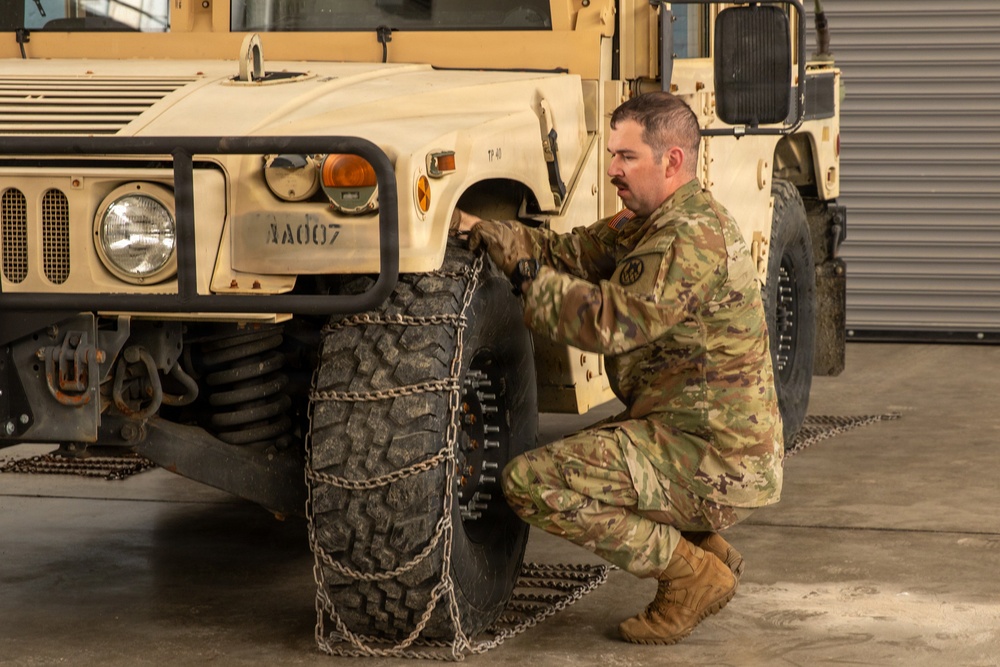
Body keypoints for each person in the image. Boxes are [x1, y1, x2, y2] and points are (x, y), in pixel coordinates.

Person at [451, 91, 783, 645]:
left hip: (717, 455)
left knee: (533, 481)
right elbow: (571, 252)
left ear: (672, 161)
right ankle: (704, 548)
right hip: (690, 433)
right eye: (612, 155)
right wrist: (485, 231)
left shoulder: (688, 237)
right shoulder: (652, 222)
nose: (612, 170)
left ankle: (690, 573)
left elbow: (607, 323)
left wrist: (531, 283)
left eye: (626, 157)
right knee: (587, 461)